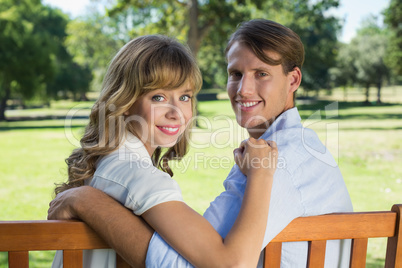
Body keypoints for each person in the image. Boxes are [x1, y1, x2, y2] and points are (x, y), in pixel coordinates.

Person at [48, 19, 353, 267]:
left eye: (261, 73)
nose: (243, 89)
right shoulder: (289, 152)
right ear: (126, 100)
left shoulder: (276, 161)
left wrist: (85, 200)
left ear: (293, 80)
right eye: (235, 74)